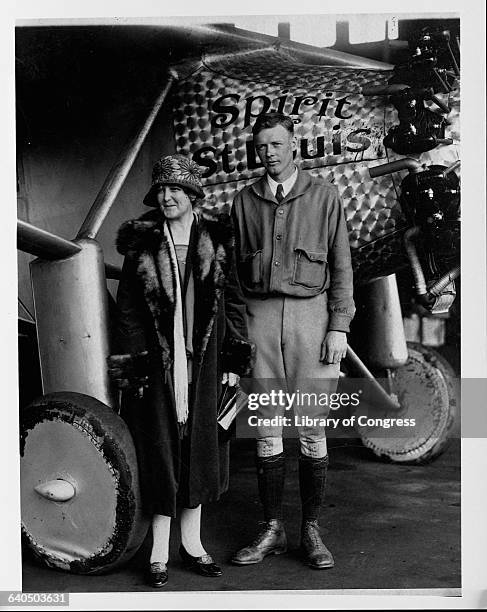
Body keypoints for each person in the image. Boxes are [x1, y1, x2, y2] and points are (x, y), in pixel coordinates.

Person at [108, 154, 254, 588]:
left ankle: (193, 545)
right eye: (161, 191)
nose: (167, 197)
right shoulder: (143, 243)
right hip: (158, 368)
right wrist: (136, 365)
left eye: (175, 190)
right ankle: (158, 552)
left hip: (206, 364)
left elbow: (236, 304)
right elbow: (129, 312)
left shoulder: (216, 240)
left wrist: (234, 361)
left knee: (199, 452)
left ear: (193, 194)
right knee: (161, 452)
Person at [230, 112, 355, 570]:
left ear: (293, 146)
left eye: (277, 145)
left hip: (312, 318)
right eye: (262, 147)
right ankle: (271, 529)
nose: (270, 154)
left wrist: (338, 326)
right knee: (266, 428)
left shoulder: (324, 197)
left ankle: (310, 530)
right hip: (259, 319)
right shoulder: (244, 201)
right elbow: (235, 277)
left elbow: (342, 266)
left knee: (311, 426)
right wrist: (239, 335)